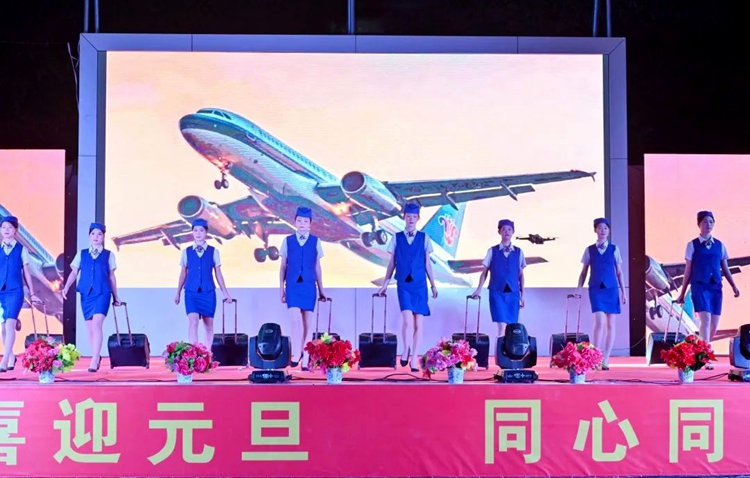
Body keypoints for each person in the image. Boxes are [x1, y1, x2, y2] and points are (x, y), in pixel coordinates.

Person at [377, 203, 438, 372]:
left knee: (419, 323)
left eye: (414, 217)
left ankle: (414, 358)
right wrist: (385, 284)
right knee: (407, 321)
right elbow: (391, 263)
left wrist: (433, 285)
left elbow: (427, 263)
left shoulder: (424, 238)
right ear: (404, 217)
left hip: (420, 285)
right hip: (403, 284)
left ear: (418, 218)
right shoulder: (396, 237)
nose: (411, 219)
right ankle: (406, 350)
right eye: (408, 216)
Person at [677, 210, 740, 369]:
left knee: (714, 325)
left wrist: (734, 286)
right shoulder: (692, 245)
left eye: (711, 222)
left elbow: (725, 268)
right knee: (705, 320)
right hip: (699, 286)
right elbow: (688, 270)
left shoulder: (720, 245)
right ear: (699, 224)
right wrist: (682, 293)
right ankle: (705, 358)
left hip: (715, 288)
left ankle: (699, 349)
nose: (708, 225)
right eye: (705, 222)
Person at [61, 222, 122, 372]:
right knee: (90, 328)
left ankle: (94, 359)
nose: (96, 237)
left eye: (99, 234)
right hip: (86, 294)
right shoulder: (81, 254)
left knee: (97, 324)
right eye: (93, 234)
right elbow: (74, 273)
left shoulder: (109, 255)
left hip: (103, 293)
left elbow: (111, 276)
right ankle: (96, 355)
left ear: (103, 237)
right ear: (89, 236)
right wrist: (66, 287)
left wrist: (116, 296)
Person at [279, 206, 327, 369]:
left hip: (309, 286)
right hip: (292, 286)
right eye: (299, 220)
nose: (302, 224)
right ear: (295, 222)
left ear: (310, 224)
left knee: (308, 324)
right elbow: (283, 267)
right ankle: (297, 352)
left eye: (305, 221)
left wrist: (322, 290)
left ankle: (305, 357)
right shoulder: (287, 241)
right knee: (295, 319)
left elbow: (317, 267)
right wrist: (281, 289)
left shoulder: (316, 241)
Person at [577, 217, 626, 370]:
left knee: (611, 324)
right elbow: (583, 272)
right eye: (599, 228)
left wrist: (623, 292)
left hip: (611, 289)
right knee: (599, 322)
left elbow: (619, 272)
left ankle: (606, 359)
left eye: (605, 228)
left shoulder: (614, 249)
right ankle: (595, 357)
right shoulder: (589, 250)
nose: (602, 231)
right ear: (595, 230)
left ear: (609, 231)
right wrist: (579, 288)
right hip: (596, 289)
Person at [174, 218, 233, 348]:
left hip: (208, 292)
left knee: (208, 324)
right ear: (192, 232)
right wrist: (178, 292)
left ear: (206, 232)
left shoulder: (214, 251)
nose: (198, 233)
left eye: (201, 230)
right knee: (193, 322)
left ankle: (206, 353)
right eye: (195, 230)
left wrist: (225, 293)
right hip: (191, 292)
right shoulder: (186, 252)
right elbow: (183, 273)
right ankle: (194, 353)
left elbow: (218, 274)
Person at [471, 219, 526, 339]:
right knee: (502, 327)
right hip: (497, 292)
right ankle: (499, 350)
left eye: (509, 229)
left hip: (513, 293)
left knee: (511, 329)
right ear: (499, 232)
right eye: (504, 229)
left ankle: (506, 350)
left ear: (513, 232)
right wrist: (479, 289)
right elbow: (484, 273)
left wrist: (523, 296)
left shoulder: (519, 252)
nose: (507, 232)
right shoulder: (492, 251)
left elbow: (521, 275)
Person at [0, 216, 41, 372]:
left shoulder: (21, 249)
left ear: (15, 231)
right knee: (3, 327)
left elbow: (27, 273)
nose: (6, 230)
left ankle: (4, 361)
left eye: (10, 227)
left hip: (15, 291)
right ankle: (10, 356)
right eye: (4, 227)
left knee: (10, 323)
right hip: (1, 292)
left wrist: (32, 293)